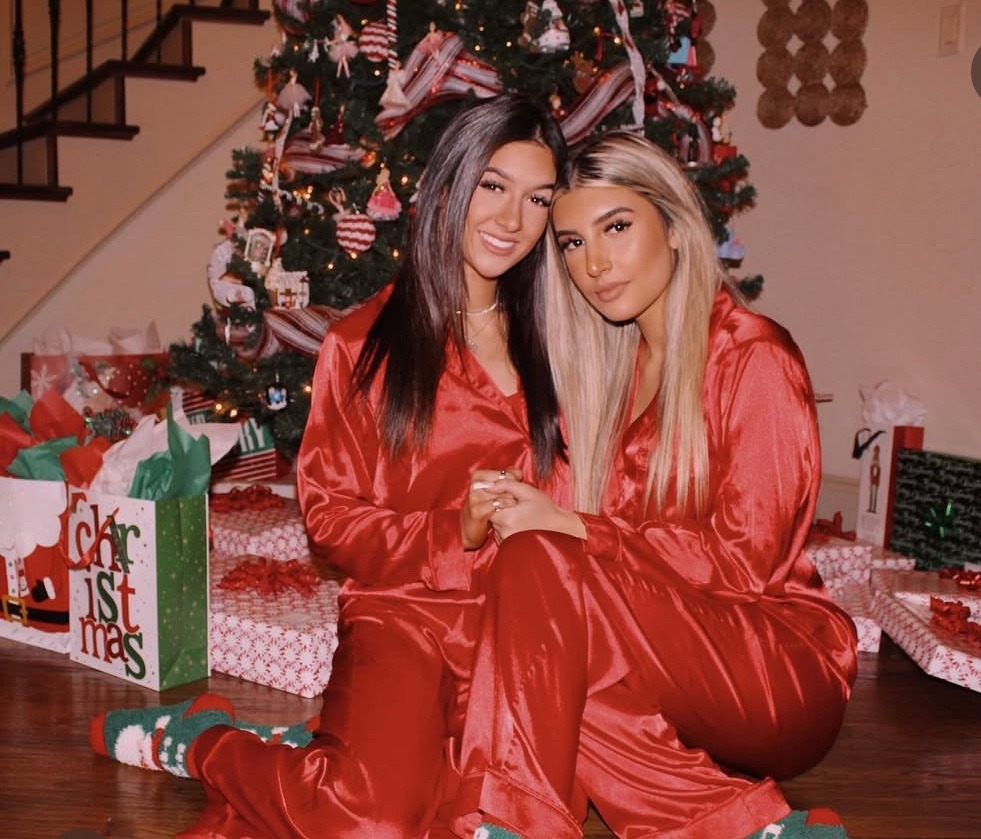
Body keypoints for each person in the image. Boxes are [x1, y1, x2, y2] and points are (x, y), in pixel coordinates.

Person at [89, 92, 570, 838]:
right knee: (368, 821)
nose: (513, 219)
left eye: (537, 198)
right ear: (448, 182)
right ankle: (203, 743)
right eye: (493, 185)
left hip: (526, 627)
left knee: (486, 817)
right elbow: (331, 521)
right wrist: (455, 527)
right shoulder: (362, 345)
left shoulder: (564, 338)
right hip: (406, 616)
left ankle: (317, 751)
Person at [451, 131, 859, 839]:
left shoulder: (753, 356)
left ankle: (508, 814)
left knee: (526, 653)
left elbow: (742, 564)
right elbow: (548, 565)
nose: (594, 264)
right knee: (531, 674)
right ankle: (742, 828)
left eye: (616, 228)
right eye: (572, 243)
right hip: (659, 674)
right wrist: (495, 510)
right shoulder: (602, 377)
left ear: (672, 225)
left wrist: (579, 528)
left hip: (775, 670)